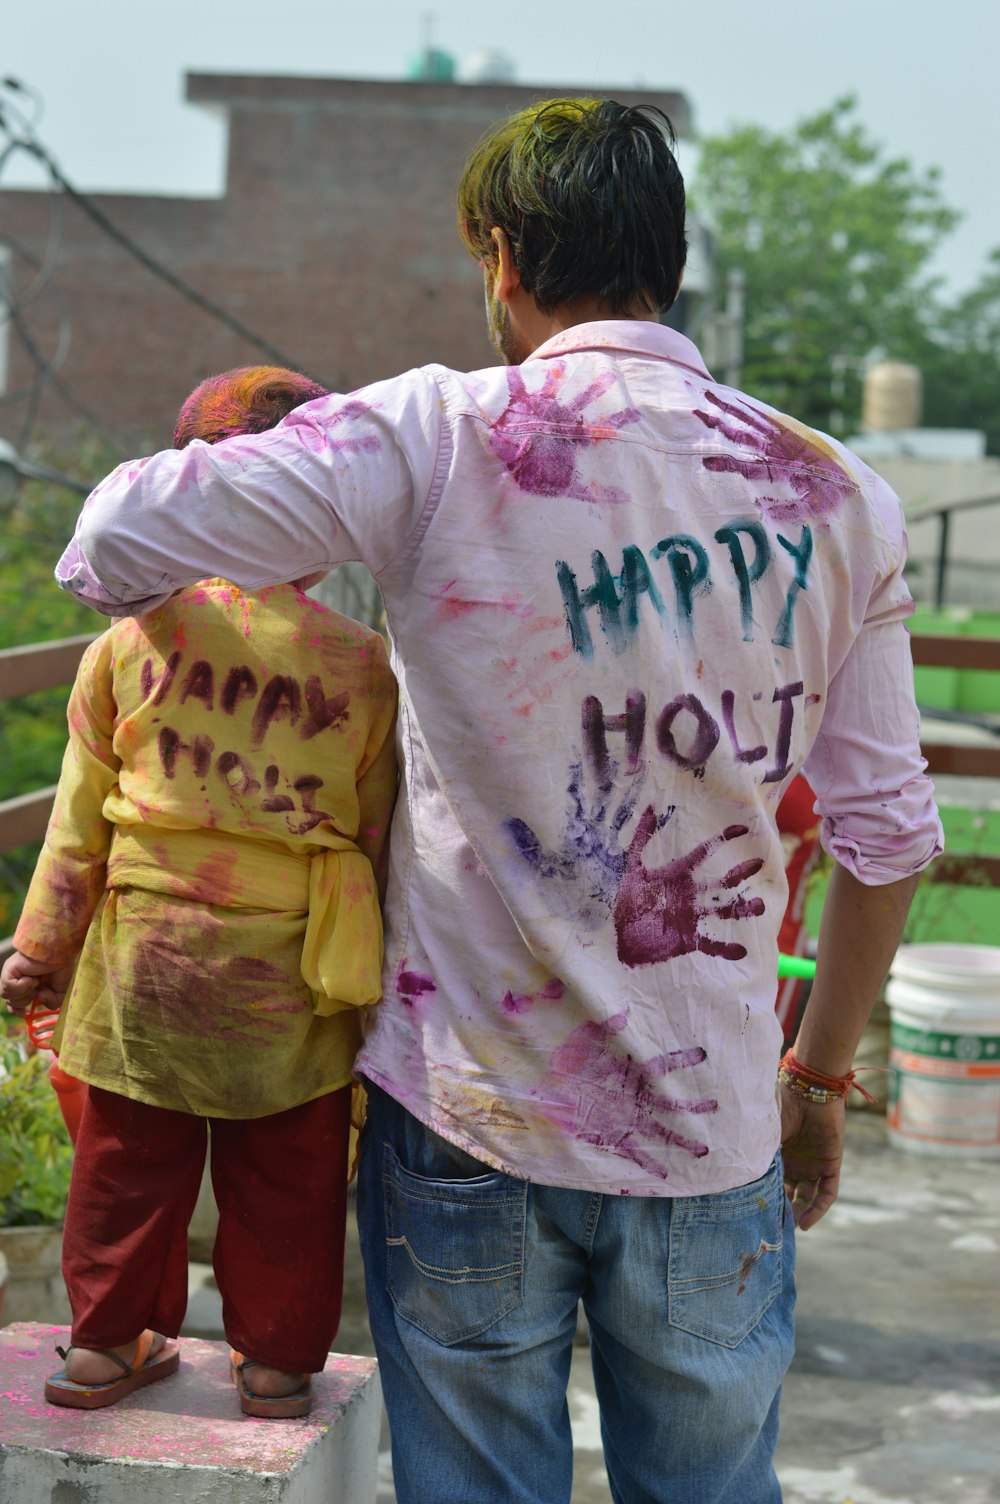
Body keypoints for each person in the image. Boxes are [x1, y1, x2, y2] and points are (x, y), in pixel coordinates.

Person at [53, 100, 941, 1501]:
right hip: (714, 1131)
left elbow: (111, 540)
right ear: (673, 258)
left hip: (469, 1117)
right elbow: (892, 839)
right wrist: (818, 1080)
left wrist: (330, 466)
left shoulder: (434, 436)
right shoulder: (837, 493)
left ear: (504, 260)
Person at [1, 365, 397, 1417]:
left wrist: (36, 952)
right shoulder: (364, 668)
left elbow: (77, 830)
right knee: (290, 1176)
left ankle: (103, 1348)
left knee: (127, 1161)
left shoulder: (126, 644)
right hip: (294, 970)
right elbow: (376, 839)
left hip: (146, 959)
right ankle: (273, 1367)